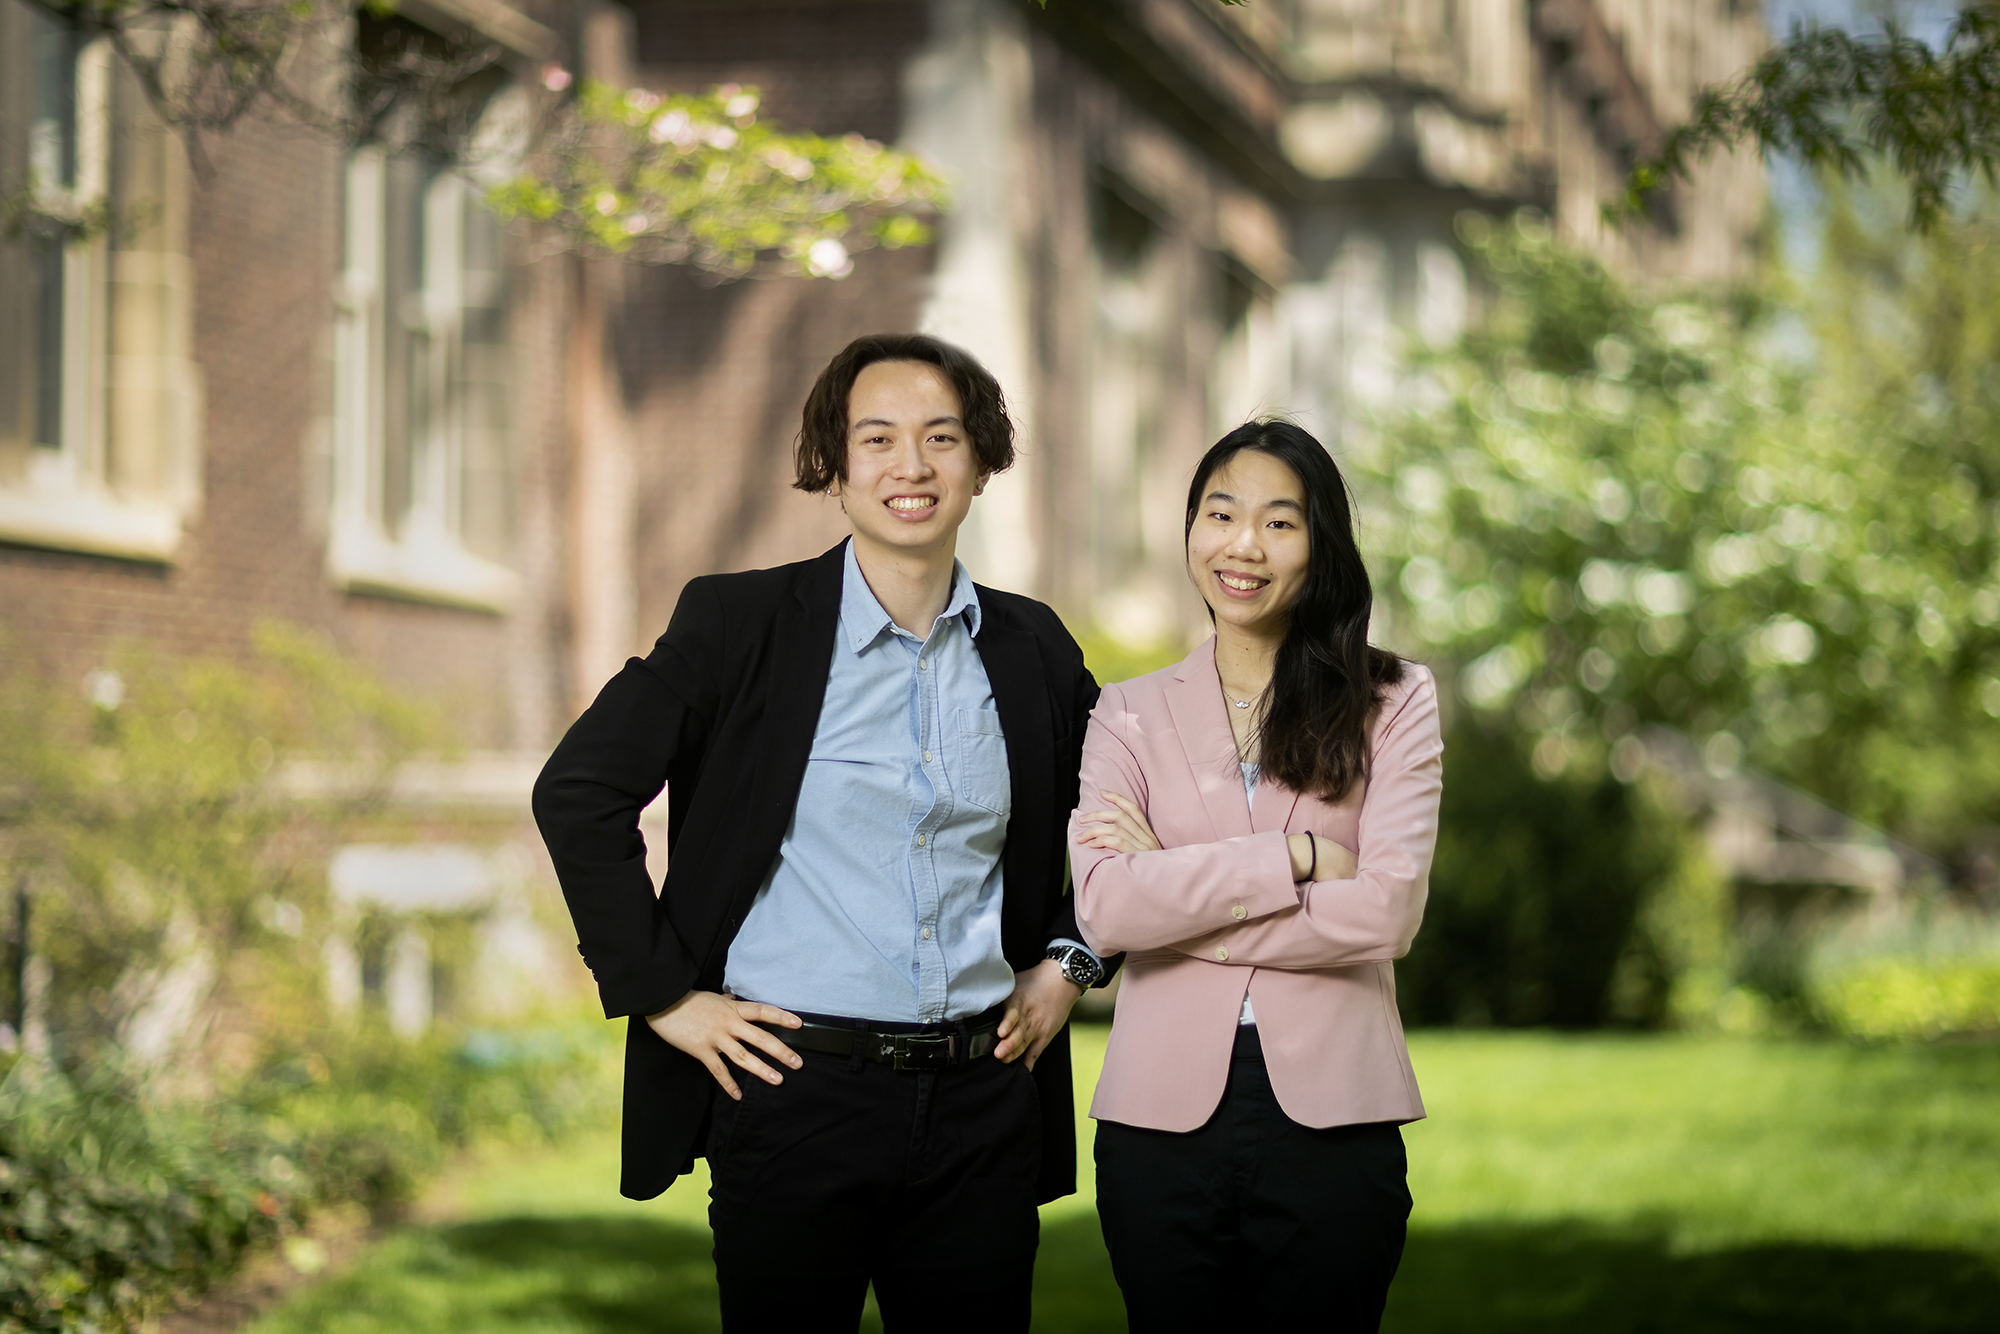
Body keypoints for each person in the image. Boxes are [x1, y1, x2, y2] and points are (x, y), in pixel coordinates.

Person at [533, 333, 1112, 1333]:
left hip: (983, 1100)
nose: (911, 465)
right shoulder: (738, 625)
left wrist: (1069, 958)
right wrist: (664, 993)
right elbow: (578, 789)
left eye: (941, 436)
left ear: (979, 462)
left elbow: (1124, 816)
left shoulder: (1032, 648)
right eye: (876, 437)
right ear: (832, 468)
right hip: (796, 1099)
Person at [1070, 419, 1442, 1332]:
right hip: (1159, 1123)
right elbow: (1107, 907)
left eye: (1280, 522)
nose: (1244, 545)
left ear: (1322, 545)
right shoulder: (1125, 713)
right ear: (1191, 528)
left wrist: (1179, 895)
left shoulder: (1391, 702)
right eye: (1221, 513)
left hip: (1335, 1116)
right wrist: (1296, 859)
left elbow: (1386, 915)